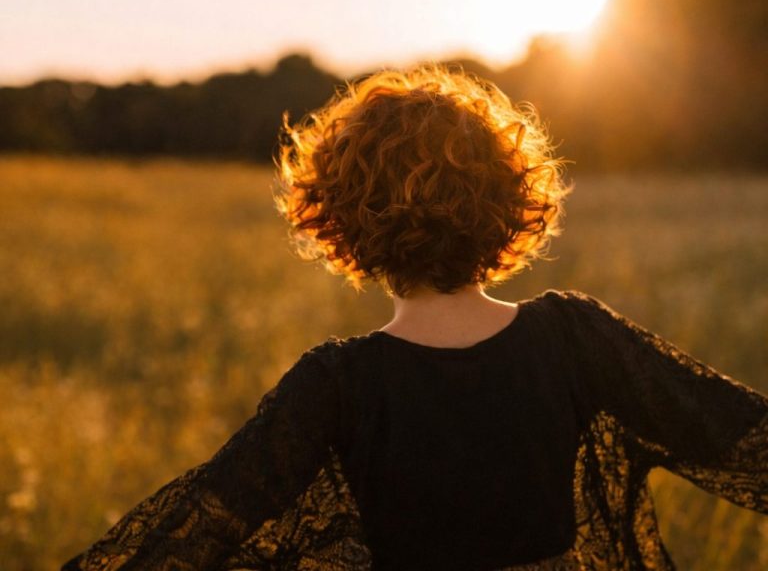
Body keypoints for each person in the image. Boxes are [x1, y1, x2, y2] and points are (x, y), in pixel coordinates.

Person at [63, 66, 767, 571]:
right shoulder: (575, 338)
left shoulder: (335, 385)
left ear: (339, 221)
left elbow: (188, 535)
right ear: (508, 203)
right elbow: (746, 441)